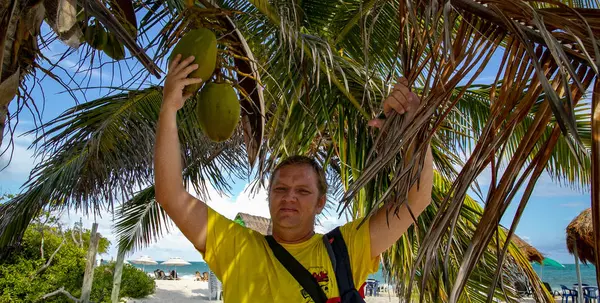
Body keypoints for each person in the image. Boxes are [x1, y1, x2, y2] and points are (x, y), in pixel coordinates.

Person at [154, 54, 433, 302]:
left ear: (320, 202)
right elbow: (170, 196)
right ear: (269, 195)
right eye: (281, 189)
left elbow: (416, 199)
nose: (289, 197)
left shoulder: (346, 250)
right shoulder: (235, 246)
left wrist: (412, 130)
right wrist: (168, 109)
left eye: (303, 191)